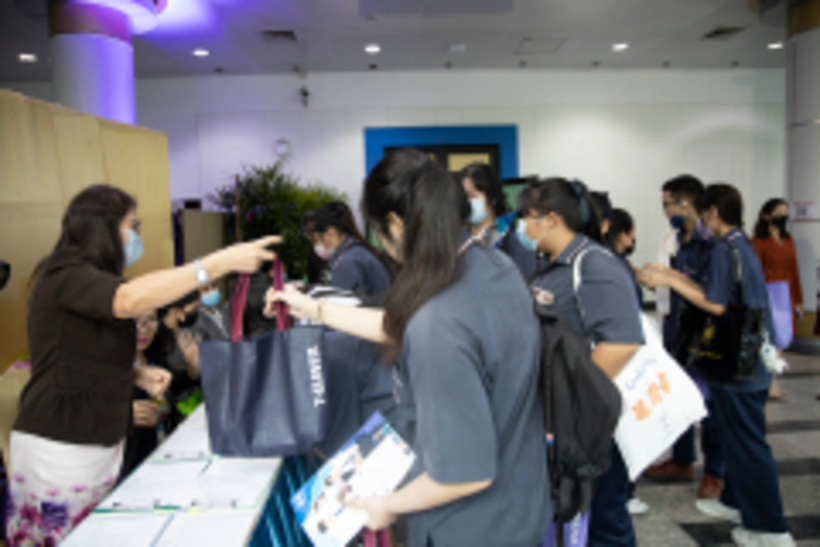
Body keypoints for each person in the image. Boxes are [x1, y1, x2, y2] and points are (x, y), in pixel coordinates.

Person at [268, 149, 552, 547]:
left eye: (377, 230)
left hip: (470, 529)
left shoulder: (438, 322)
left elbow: (463, 474)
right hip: (521, 506)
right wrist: (313, 308)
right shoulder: (492, 267)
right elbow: (403, 326)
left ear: (396, 224)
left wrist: (386, 506)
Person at [7, 184, 278, 545]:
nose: (138, 236)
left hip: (95, 441)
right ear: (103, 227)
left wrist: (136, 373)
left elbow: (79, 354)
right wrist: (215, 264)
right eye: (133, 226)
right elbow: (130, 300)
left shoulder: (94, 280)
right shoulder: (64, 274)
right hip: (60, 445)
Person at [638, 184, 794, 547]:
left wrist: (668, 281)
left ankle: (770, 528)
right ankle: (734, 503)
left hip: (735, 363)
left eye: (702, 212)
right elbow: (719, 292)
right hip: (749, 360)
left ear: (712, 213)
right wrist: (673, 277)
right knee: (737, 440)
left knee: (748, 446)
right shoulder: (742, 244)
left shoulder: (724, 249)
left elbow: (716, 303)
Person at [520, 178, 644, 547]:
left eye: (528, 216)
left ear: (551, 219)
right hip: (568, 421)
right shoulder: (553, 264)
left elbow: (622, 342)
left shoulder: (594, 264)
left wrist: (576, 400)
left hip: (591, 423)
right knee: (579, 514)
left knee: (605, 518)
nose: (522, 227)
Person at [642, 175, 725, 502]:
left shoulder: (711, 243)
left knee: (710, 405)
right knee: (677, 397)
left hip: (706, 334)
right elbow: (678, 285)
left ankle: (715, 472)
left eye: (668, 204)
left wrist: (672, 280)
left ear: (685, 203)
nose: (665, 211)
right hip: (677, 326)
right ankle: (682, 460)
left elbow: (712, 294)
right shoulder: (677, 238)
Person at [604, 207, 649, 517]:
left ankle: (623, 491)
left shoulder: (604, 265)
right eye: (631, 232)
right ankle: (626, 492)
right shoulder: (615, 267)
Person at [752, 198, 803, 401]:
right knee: (769, 340)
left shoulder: (788, 240)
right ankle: (768, 383)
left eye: (785, 212)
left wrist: (797, 299)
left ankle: (770, 382)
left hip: (786, 295)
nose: (784, 216)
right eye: (779, 212)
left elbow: (794, 270)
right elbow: (756, 272)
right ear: (766, 216)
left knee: (781, 340)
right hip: (769, 294)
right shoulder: (758, 242)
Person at [459, 163, 540, 280]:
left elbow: (527, 283)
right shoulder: (457, 239)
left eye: (473, 196)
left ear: (493, 199)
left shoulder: (514, 241)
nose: (467, 203)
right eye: (464, 197)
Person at [304, 201, 392, 298]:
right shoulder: (356, 252)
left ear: (329, 232)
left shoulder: (348, 262)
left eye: (315, 241)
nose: (315, 247)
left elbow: (338, 303)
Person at [121, 311, 168, 477]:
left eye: (151, 320)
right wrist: (122, 416)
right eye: (135, 320)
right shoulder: (108, 368)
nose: (143, 328)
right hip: (128, 465)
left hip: (159, 452)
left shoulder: (156, 358)